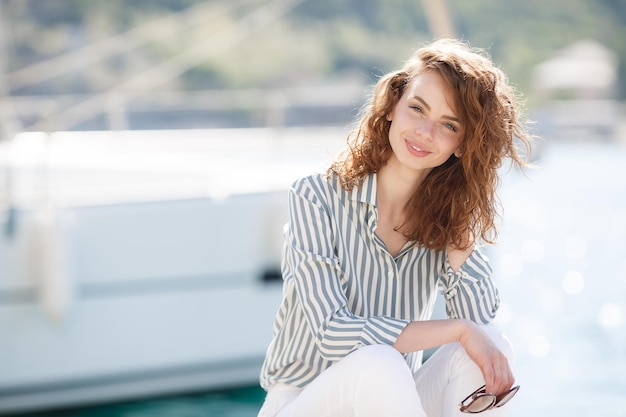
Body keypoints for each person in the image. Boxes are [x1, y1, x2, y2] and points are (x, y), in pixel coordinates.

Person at [257, 38, 533, 417]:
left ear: (461, 145)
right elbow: (332, 333)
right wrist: (458, 330)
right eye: (417, 108)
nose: (425, 132)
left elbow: (479, 322)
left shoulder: (445, 218)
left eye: (448, 125)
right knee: (380, 362)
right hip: (302, 402)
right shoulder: (315, 196)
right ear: (392, 106)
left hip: (392, 403)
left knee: (489, 346)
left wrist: (460, 245)